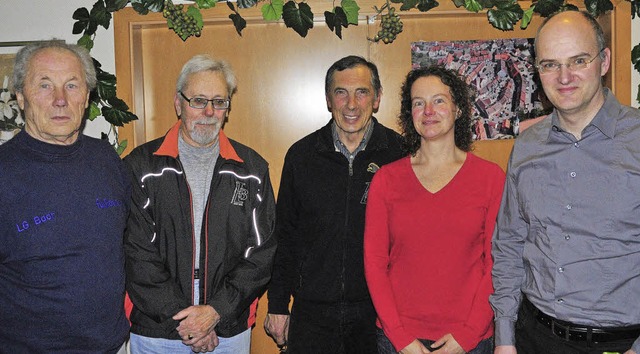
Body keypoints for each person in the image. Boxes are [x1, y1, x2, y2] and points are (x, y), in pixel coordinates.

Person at [490, 10, 640, 354]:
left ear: (603, 62)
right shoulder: (527, 146)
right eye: (549, 64)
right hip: (535, 337)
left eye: (578, 60)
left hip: (621, 343)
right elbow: (510, 244)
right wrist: (505, 337)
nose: (565, 77)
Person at [124, 54, 276, 354]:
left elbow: (263, 252)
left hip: (228, 326)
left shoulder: (251, 169)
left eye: (219, 102)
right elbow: (136, 252)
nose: (209, 111)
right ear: (178, 103)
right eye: (198, 100)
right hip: (158, 327)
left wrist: (215, 312)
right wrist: (187, 321)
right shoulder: (141, 167)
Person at [264, 55, 404, 353]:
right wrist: (277, 304)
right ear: (329, 99)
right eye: (341, 92)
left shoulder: (400, 153)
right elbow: (285, 235)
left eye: (362, 92)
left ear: (377, 98)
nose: (351, 104)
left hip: (379, 314)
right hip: (312, 314)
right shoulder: (302, 155)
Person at [364, 66, 505, 354]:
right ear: (409, 114)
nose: (428, 110)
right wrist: (400, 336)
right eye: (418, 103)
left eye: (439, 100)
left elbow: (497, 263)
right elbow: (375, 264)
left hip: (470, 341)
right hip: (399, 342)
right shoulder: (387, 180)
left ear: (459, 110)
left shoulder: (490, 178)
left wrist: (468, 335)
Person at [0, 41, 130, 353]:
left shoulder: (106, 159)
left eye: (72, 85)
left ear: (86, 96)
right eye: (45, 85)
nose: (60, 99)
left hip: (109, 346)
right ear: (20, 96)